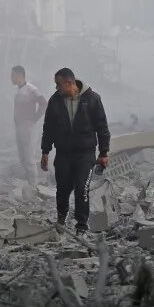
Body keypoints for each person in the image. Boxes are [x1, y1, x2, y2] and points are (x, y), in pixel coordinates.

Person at [41, 68, 111, 233]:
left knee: (81, 189)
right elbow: (48, 128)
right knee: (63, 189)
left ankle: (82, 225)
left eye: (59, 84)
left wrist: (104, 153)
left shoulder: (92, 99)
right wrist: (45, 151)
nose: (57, 88)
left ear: (69, 83)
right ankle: (61, 218)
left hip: (85, 154)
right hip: (63, 154)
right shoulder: (55, 101)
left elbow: (102, 128)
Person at [11, 65, 47, 187]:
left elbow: (44, 103)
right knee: (22, 156)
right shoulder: (19, 90)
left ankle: (33, 185)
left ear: (20, 75)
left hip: (28, 127)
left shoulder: (31, 89)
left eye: (13, 75)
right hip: (20, 126)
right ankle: (29, 182)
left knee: (29, 156)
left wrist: (34, 118)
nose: (11, 78)